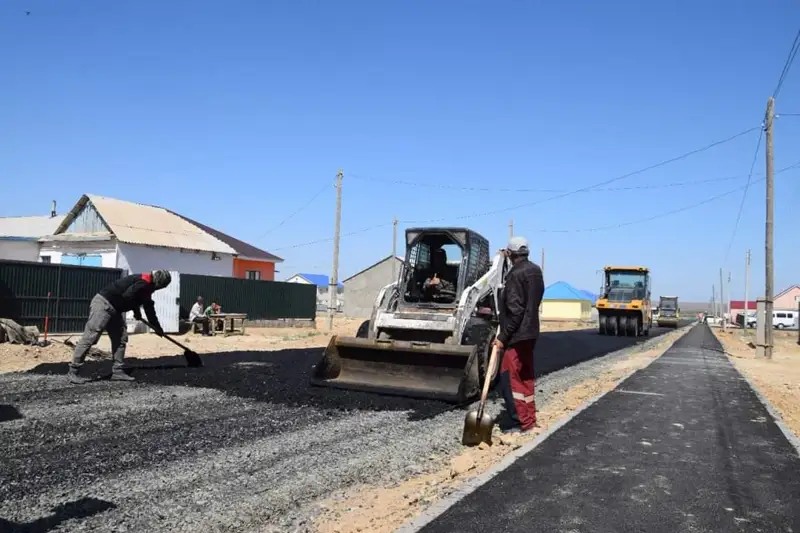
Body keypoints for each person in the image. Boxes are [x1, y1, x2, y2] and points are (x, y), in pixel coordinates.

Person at [68, 270, 172, 384]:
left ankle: (117, 371)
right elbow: (128, 296)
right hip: (104, 304)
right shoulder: (143, 283)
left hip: (116, 309)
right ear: (159, 282)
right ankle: (73, 371)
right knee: (90, 337)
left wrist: (157, 327)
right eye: (161, 286)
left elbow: (148, 308)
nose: (159, 289)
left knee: (120, 338)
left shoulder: (147, 285)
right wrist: (136, 309)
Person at [494, 236, 545, 434]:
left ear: (510, 254)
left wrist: (502, 337)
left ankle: (518, 421)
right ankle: (529, 418)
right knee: (526, 376)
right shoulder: (535, 271)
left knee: (509, 377)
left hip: (517, 335)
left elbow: (515, 311)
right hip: (531, 332)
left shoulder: (515, 275)